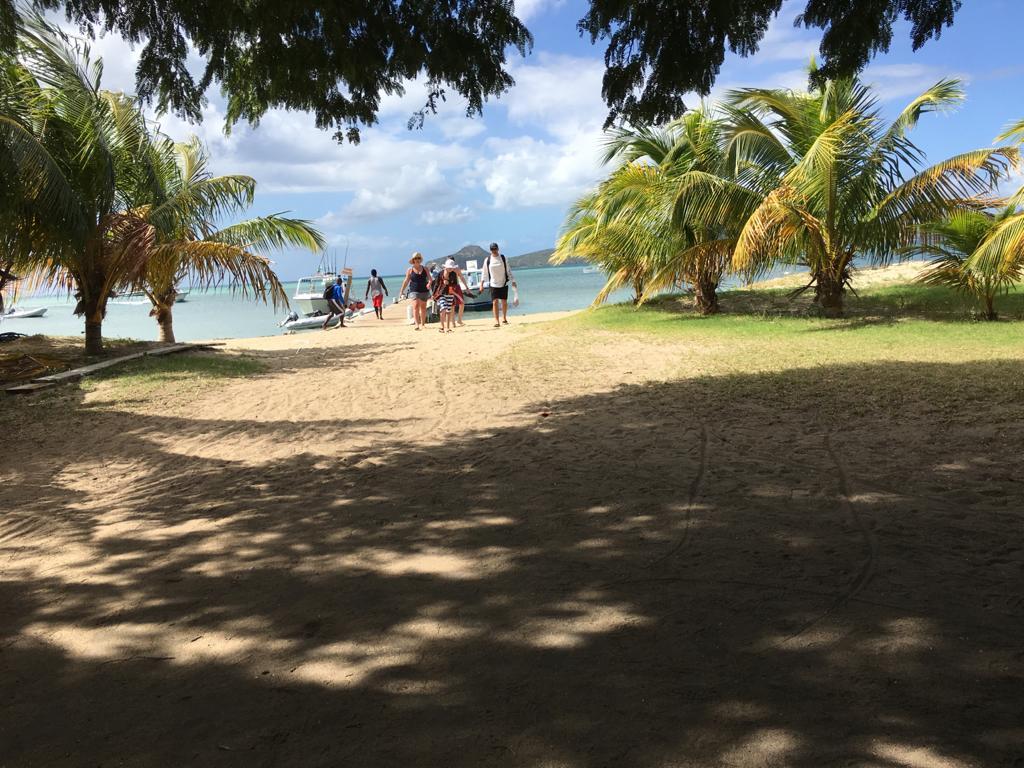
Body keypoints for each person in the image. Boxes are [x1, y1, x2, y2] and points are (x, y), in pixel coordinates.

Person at [483, 242, 514, 327]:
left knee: (504, 301)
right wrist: (482, 284)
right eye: (492, 249)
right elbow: (484, 273)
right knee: (495, 302)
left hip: (503, 282)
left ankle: (504, 318)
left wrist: (513, 281)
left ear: (498, 248)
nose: (494, 251)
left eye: (495, 249)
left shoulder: (503, 258)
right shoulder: (488, 260)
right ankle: (497, 321)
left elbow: (508, 270)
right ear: (490, 250)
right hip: (493, 284)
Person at [399, 252, 432, 331]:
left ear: (420, 260)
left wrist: (429, 283)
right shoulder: (410, 270)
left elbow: (430, 279)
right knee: (416, 306)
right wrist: (401, 291)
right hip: (414, 290)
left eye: (419, 258)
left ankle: (423, 324)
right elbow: (406, 281)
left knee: (423, 308)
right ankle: (417, 324)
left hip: (424, 290)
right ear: (413, 260)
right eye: (416, 258)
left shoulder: (425, 269)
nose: (417, 260)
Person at [441, 257, 472, 326]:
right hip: (449, 288)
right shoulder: (445, 270)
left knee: (462, 303)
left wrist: (467, 287)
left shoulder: (457, 269)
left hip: (457, 287)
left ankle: (459, 320)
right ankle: (453, 322)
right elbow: (445, 281)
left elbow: (462, 277)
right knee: (452, 305)